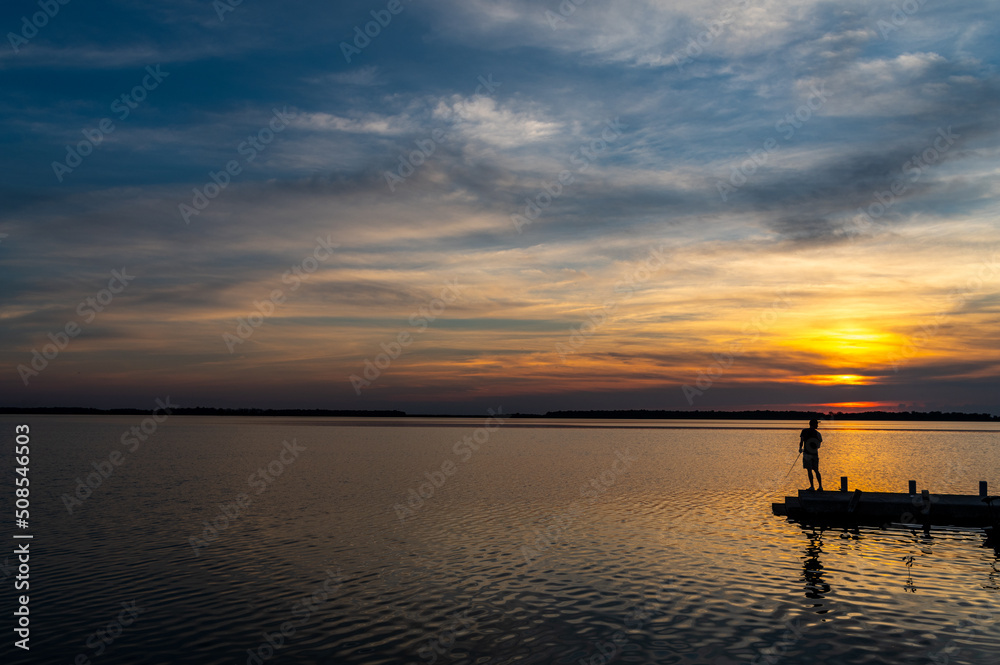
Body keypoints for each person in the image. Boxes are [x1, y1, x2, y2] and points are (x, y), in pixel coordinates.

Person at [799, 419, 823, 491]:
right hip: (814, 454)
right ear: (813, 424)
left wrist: (800, 448)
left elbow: (801, 441)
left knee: (809, 470)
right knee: (816, 470)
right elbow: (818, 445)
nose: (817, 425)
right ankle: (820, 487)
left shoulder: (804, 431)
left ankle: (812, 487)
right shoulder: (817, 434)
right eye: (816, 424)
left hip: (807, 454)